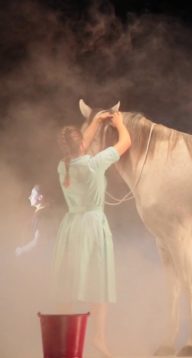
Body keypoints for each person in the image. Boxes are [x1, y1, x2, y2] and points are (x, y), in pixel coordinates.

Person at [53, 110, 131, 357]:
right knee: (99, 281)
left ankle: (65, 338)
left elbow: (80, 146)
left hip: (71, 225)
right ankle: (98, 337)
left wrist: (96, 121)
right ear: (82, 145)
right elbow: (125, 143)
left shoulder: (62, 166)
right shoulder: (94, 163)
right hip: (92, 225)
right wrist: (119, 124)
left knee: (68, 280)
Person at [15, 185, 49, 256]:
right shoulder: (40, 212)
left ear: (40, 197)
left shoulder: (43, 215)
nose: (29, 197)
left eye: (32, 194)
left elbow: (38, 242)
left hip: (40, 257)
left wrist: (22, 250)